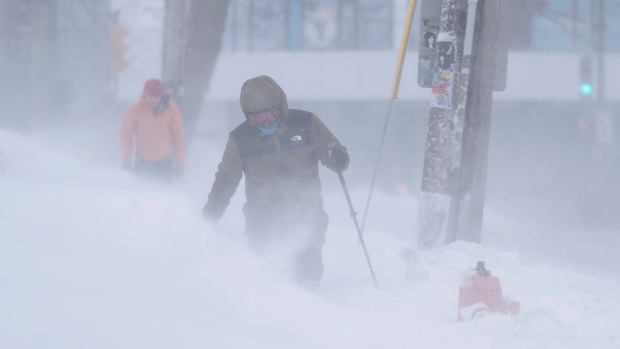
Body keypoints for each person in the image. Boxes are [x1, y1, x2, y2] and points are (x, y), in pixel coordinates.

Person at [202, 75, 349, 288]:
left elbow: (332, 151)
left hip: (305, 210)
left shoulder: (306, 123)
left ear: (280, 107)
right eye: (257, 119)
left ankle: (311, 304)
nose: (266, 122)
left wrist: (337, 157)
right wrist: (209, 217)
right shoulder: (240, 139)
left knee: (309, 271)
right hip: (262, 216)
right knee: (268, 273)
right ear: (248, 117)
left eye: (270, 114)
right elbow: (226, 179)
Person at [120, 78, 186, 183]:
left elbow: (178, 136)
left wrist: (180, 162)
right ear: (145, 95)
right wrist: (126, 161)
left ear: (162, 95)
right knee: (142, 195)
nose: (153, 100)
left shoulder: (172, 110)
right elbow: (126, 136)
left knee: (165, 196)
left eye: (156, 97)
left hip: (165, 165)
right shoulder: (134, 110)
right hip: (142, 163)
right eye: (150, 97)